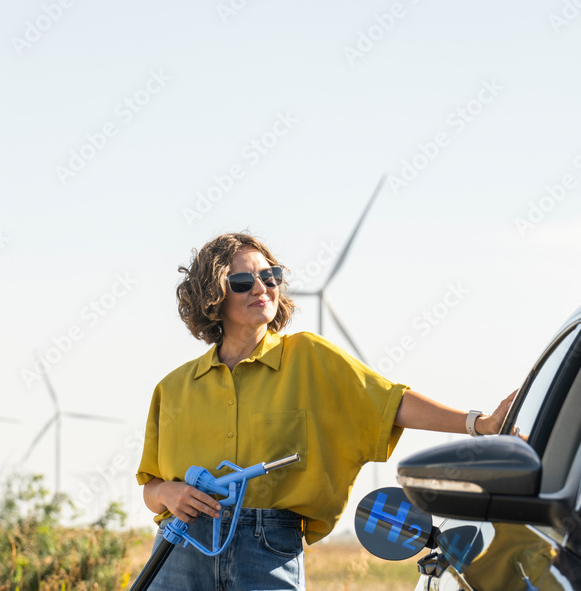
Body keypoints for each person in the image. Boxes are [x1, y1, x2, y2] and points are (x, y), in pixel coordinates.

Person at [135, 232, 514, 590]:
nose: (261, 288)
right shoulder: (173, 388)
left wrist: (479, 424)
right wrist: (168, 492)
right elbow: (151, 487)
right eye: (242, 281)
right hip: (180, 548)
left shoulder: (309, 357)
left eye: (269, 276)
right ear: (212, 295)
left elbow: (391, 403)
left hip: (267, 548)